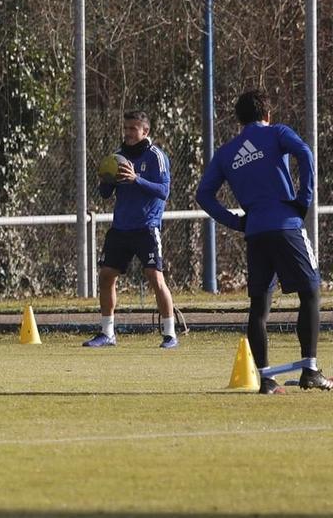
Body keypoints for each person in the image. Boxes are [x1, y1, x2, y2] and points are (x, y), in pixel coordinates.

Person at [194, 90, 326, 393]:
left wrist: (236, 221)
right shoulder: (277, 133)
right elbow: (305, 152)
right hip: (286, 224)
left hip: (255, 231)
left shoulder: (227, 152)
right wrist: (303, 199)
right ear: (268, 114)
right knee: (310, 292)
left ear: (239, 119)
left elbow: (203, 195)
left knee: (259, 305)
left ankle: (265, 378)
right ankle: (310, 370)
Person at [85, 111, 179, 349]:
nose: (127, 133)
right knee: (106, 276)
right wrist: (106, 180)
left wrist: (136, 178)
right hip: (120, 228)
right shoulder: (117, 157)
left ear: (145, 131)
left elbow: (164, 191)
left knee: (155, 278)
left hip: (146, 227)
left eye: (132, 129)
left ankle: (170, 335)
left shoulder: (156, 156)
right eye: (125, 128)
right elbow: (105, 194)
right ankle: (107, 333)